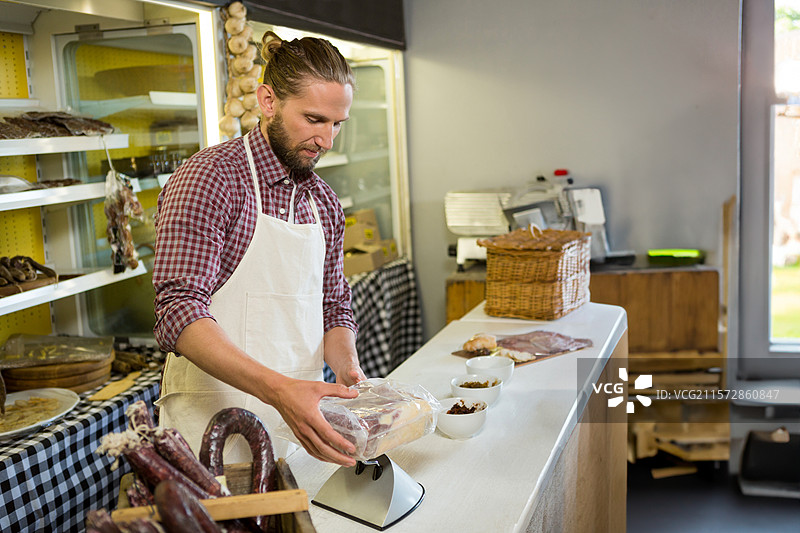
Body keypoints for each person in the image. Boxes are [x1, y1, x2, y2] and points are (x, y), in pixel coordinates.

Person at [152, 31, 366, 467]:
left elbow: (333, 306)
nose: (327, 140)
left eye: (337, 123)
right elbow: (179, 311)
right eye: (313, 119)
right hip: (210, 439)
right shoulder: (212, 179)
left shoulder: (322, 201)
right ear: (268, 100)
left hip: (297, 432)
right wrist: (278, 389)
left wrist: (347, 367)